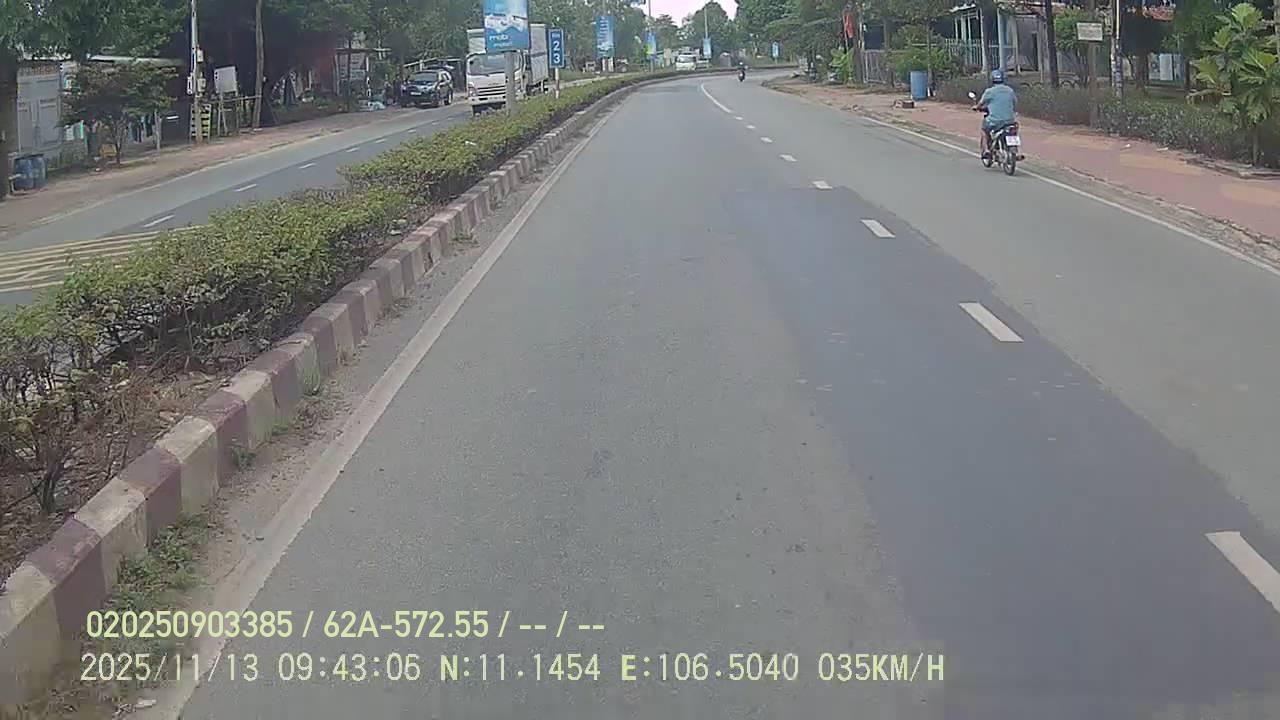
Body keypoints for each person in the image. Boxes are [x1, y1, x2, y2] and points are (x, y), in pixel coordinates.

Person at [974, 69, 1017, 160]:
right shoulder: (1010, 90)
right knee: (1013, 131)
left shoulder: (989, 92)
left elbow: (981, 103)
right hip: (1010, 120)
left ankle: (986, 150)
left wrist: (976, 107)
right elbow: (1015, 103)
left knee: (984, 130)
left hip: (995, 121)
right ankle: (1014, 151)